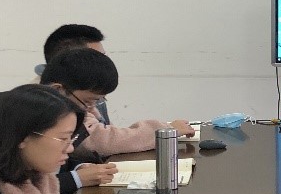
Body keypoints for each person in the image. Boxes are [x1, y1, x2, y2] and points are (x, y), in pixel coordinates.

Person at [40, 47, 194, 157]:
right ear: (58, 90)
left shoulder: (73, 103)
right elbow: (102, 141)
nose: (91, 108)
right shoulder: (40, 113)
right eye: (88, 101)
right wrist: (165, 131)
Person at [36, 24, 109, 124]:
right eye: (96, 58)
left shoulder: (91, 88)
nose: (105, 63)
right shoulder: (39, 103)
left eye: (104, 56)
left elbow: (106, 128)